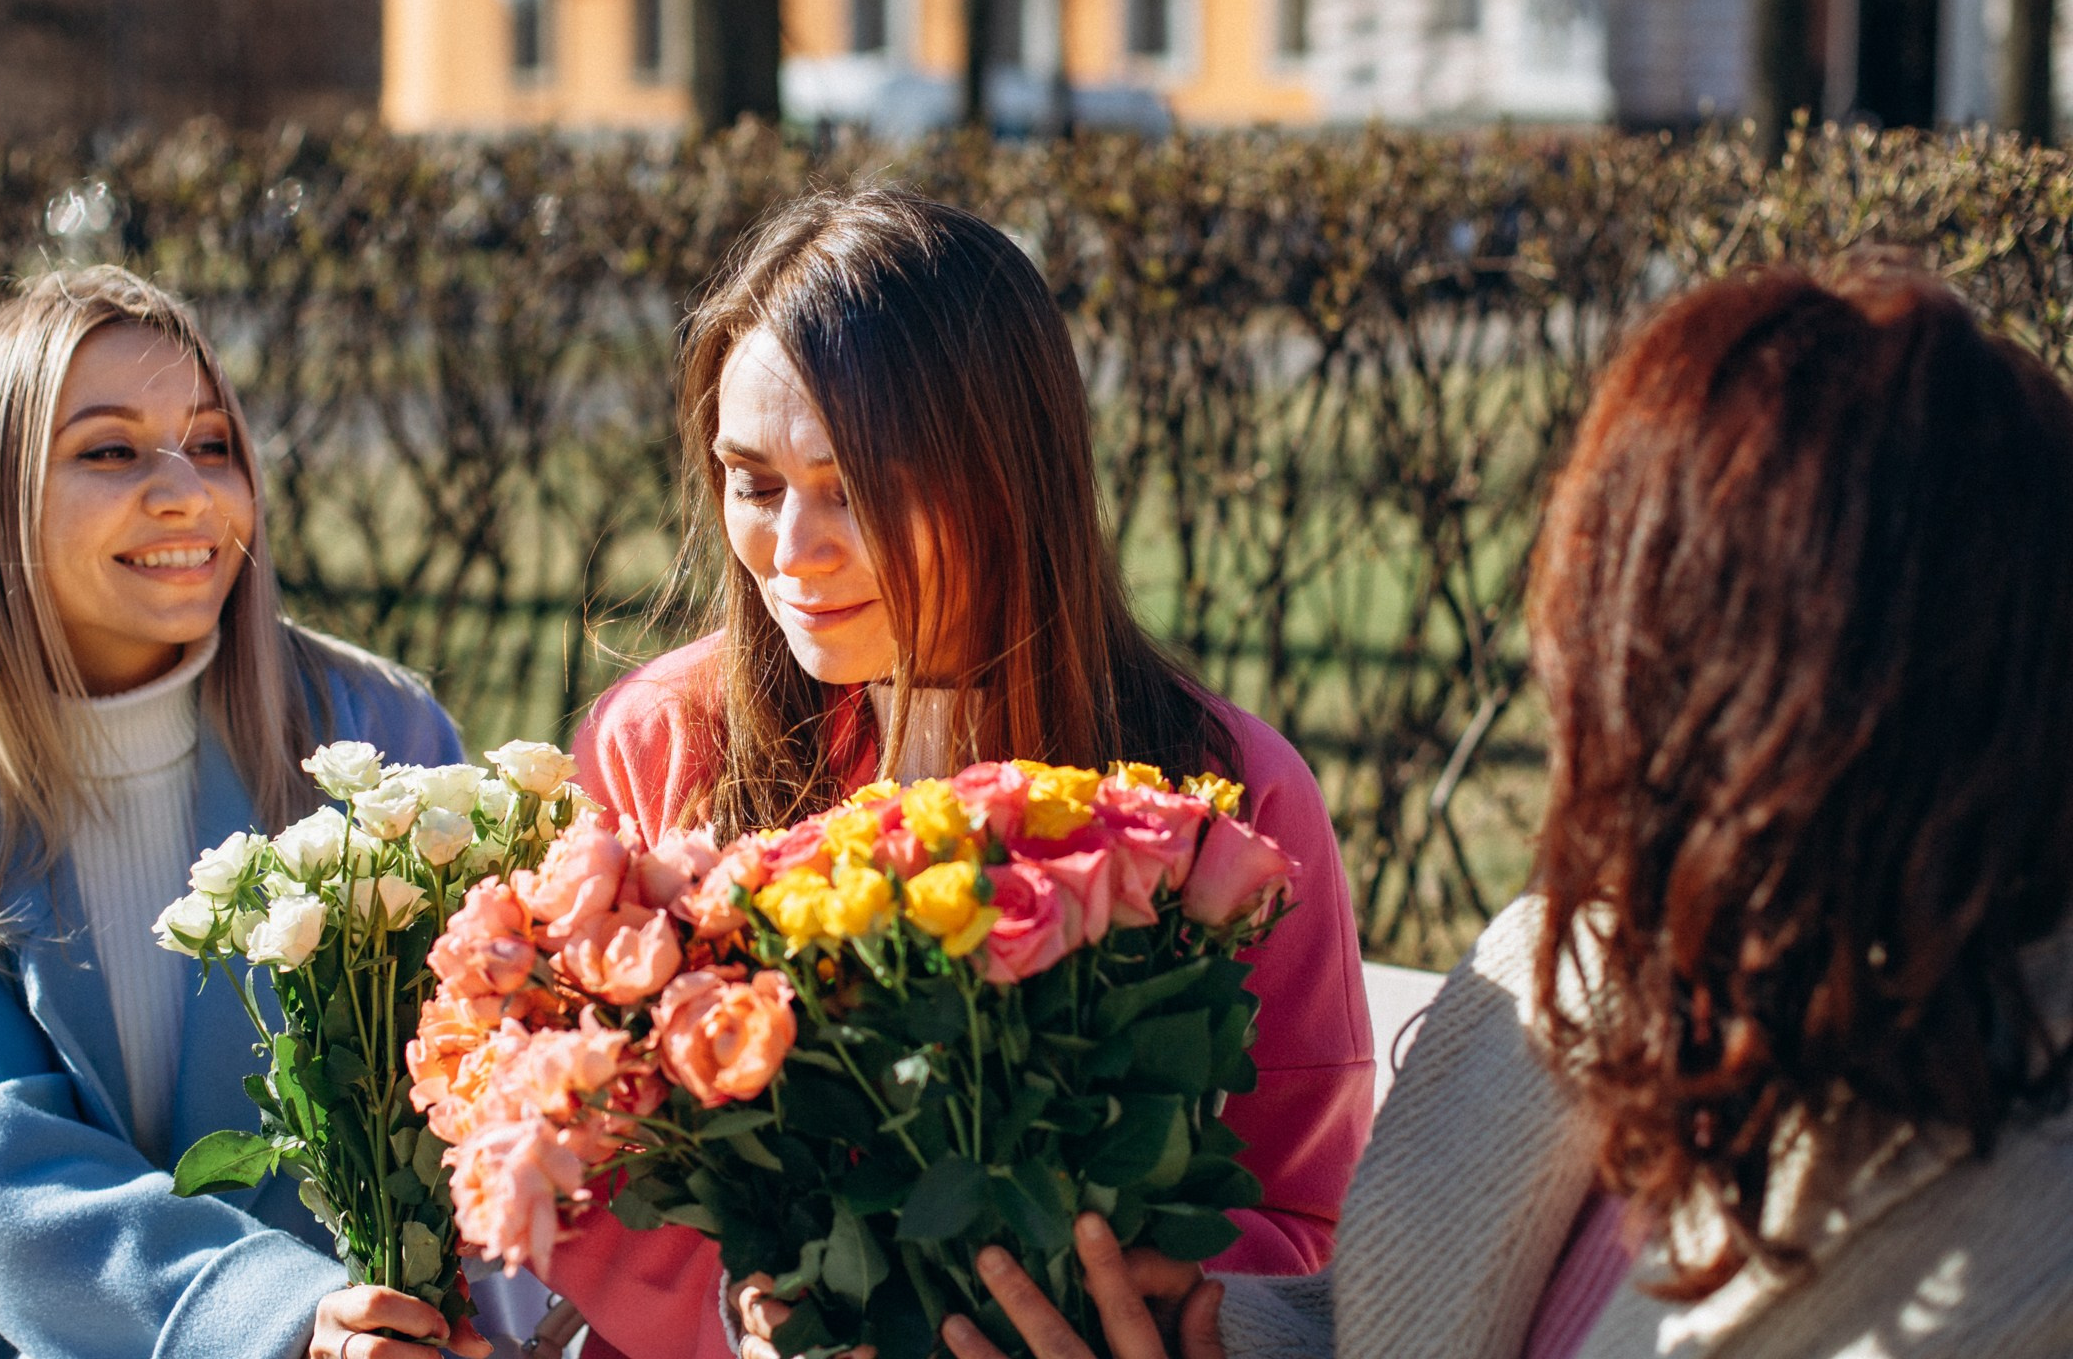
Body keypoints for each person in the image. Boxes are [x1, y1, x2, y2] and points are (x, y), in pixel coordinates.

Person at [951, 258, 2073, 1359]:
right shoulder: (1571, 970)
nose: (1570, 670)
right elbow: (1369, 1326)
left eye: (1622, 609)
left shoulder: (2029, 1255)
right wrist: (1204, 1325)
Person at [539, 191, 1376, 1359]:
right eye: (756, 481)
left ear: (1004, 472)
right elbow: (582, 1165)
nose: (793, 552)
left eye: (855, 487)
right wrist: (751, 1316)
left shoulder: (1226, 796)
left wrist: (1138, 1297)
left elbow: (1310, 1220)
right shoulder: (663, 744)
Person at [0, 269, 517, 1359]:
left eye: (211, 444)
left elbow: (484, 1078)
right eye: (110, 450)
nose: (189, 493)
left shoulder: (374, 728)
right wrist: (283, 1318)